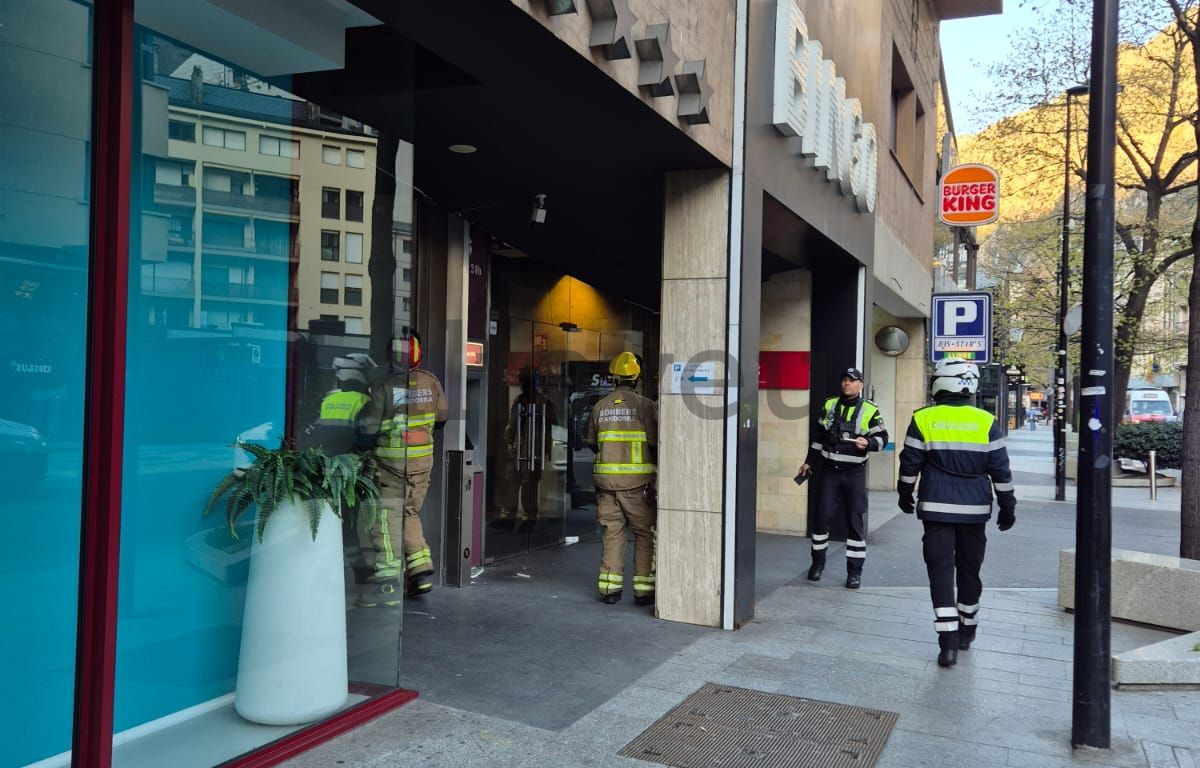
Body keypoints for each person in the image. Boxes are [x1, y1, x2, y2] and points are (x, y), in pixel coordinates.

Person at [897, 358, 1017, 668]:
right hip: (975, 511)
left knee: (940, 572)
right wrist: (1008, 506)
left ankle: (947, 643)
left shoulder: (923, 418)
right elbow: (1001, 470)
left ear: (939, 383)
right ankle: (967, 630)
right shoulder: (986, 421)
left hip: (936, 509)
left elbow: (909, 463)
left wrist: (904, 493)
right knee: (969, 570)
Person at [357, 331, 448, 606]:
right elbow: (442, 419)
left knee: (385, 520)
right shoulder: (431, 382)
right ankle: (419, 573)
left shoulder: (383, 386)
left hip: (391, 466)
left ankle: (386, 585)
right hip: (422, 466)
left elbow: (369, 429)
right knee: (409, 512)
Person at [798, 367, 888, 589]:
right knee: (821, 519)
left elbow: (883, 438)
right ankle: (817, 564)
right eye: (845, 380)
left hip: (854, 473)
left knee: (855, 523)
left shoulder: (870, 409)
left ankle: (854, 573)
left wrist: (869, 443)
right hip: (829, 472)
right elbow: (818, 437)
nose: (847, 383)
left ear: (860, 385)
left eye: (852, 380)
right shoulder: (829, 405)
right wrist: (809, 462)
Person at [586, 352, 658, 606]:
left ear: (614, 378)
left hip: (606, 485)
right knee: (644, 534)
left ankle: (609, 589)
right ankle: (643, 591)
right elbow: (655, 443)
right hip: (637, 485)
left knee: (612, 533)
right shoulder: (645, 406)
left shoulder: (600, 407)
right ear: (636, 377)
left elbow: (592, 443)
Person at [494, 368, 558, 532]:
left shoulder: (543, 403)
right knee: (512, 483)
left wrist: (545, 448)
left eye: (525, 381)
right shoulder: (520, 401)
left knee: (528, 486)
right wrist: (509, 440)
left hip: (533, 450)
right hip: (519, 449)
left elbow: (551, 427)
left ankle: (528, 519)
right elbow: (512, 424)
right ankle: (509, 517)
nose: (523, 384)